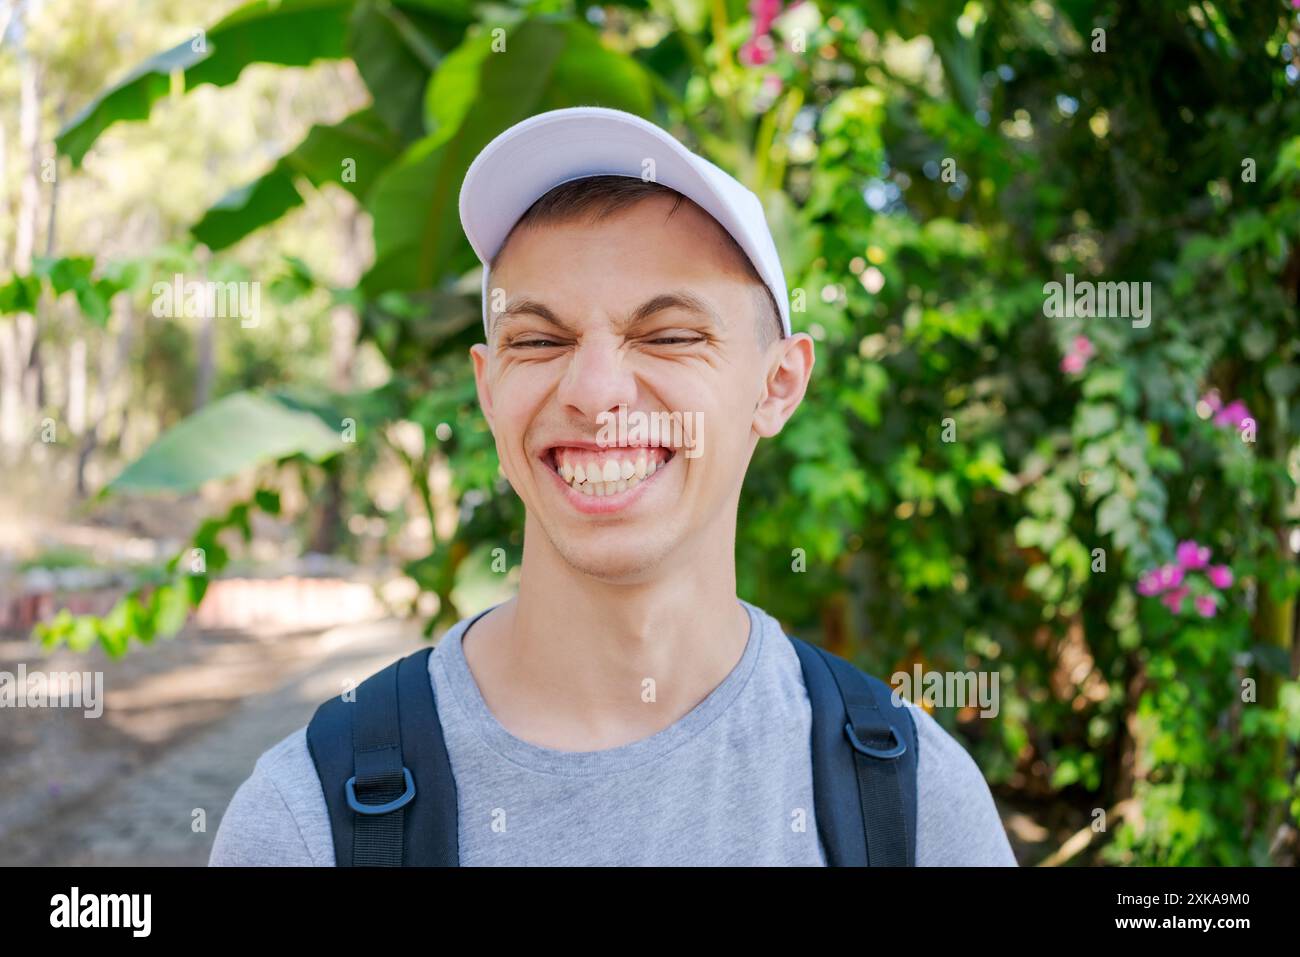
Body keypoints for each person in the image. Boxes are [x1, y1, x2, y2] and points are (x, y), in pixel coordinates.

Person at [210, 107, 1016, 866]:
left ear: (777, 386)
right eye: (538, 338)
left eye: (667, 334)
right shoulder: (313, 817)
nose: (595, 391)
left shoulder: (907, 801)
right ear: (490, 392)